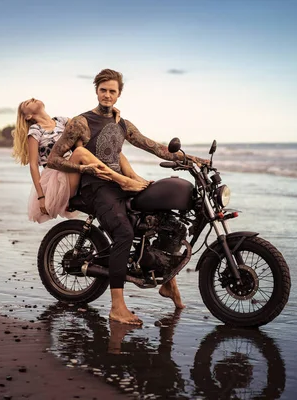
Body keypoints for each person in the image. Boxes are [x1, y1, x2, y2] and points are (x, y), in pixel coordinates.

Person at [47, 69, 206, 325]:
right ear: (96, 90)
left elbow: (155, 147)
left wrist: (193, 160)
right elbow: (54, 159)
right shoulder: (81, 122)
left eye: (112, 91)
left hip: (119, 185)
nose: (107, 95)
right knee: (124, 233)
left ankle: (168, 284)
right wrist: (81, 169)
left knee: (166, 222)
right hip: (94, 187)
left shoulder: (123, 124)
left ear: (119, 95)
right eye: (103, 90)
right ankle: (117, 307)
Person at [11, 98, 148, 223]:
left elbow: (87, 123)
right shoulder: (35, 131)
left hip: (74, 170)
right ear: (28, 116)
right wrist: (41, 197)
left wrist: (108, 113)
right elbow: (34, 166)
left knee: (111, 149)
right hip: (57, 179)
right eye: (27, 103)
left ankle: (133, 176)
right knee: (80, 152)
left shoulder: (61, 121)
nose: (32, 99)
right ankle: (122, 181)